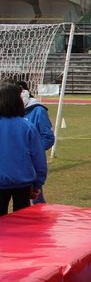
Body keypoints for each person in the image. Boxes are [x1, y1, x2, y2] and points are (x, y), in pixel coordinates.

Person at [0, 82, 47, 216]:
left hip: (14, 183)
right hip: (22, 183)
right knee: (22, 224)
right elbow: (39, 159)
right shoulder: (28, 127)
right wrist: (38, 184)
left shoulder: (28, 127)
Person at [18, 81, 55, 204]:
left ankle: (40, 219)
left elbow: (48, 137)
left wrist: (34, 151)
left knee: (34, 197)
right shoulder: (8, 113)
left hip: (31, 162)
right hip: (14, 163)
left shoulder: (38, 111)